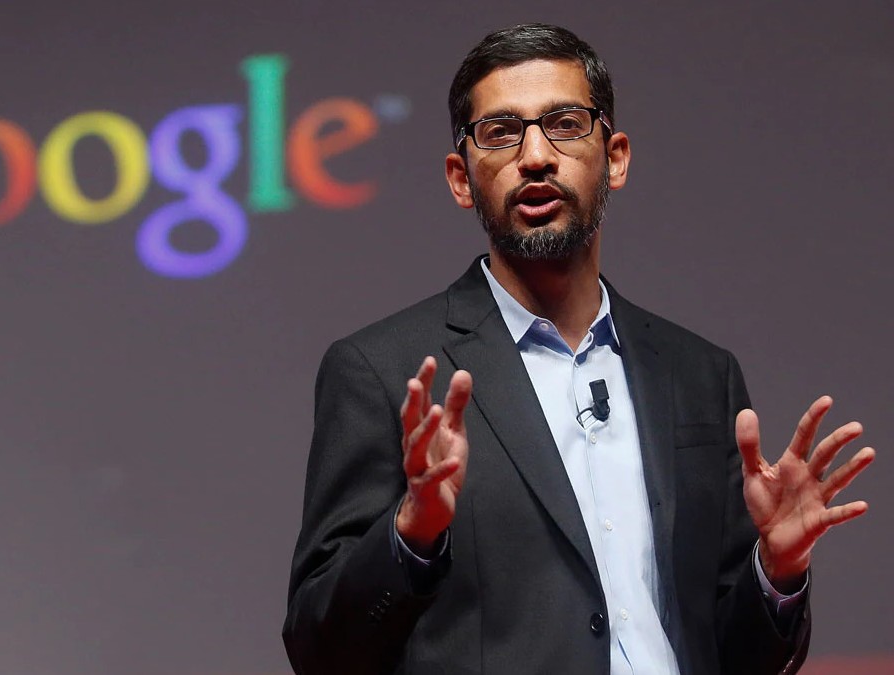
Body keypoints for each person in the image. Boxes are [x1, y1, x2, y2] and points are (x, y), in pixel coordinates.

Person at [282, 23, 876, 675]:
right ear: (460, 178)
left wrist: (778, 571)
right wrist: (411, 532)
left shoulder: (700, 374)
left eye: (565, 124)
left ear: (615, 158)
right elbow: (319, 647)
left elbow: (738, 657)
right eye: (501, 132)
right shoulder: (383, 371)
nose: (535, 156)